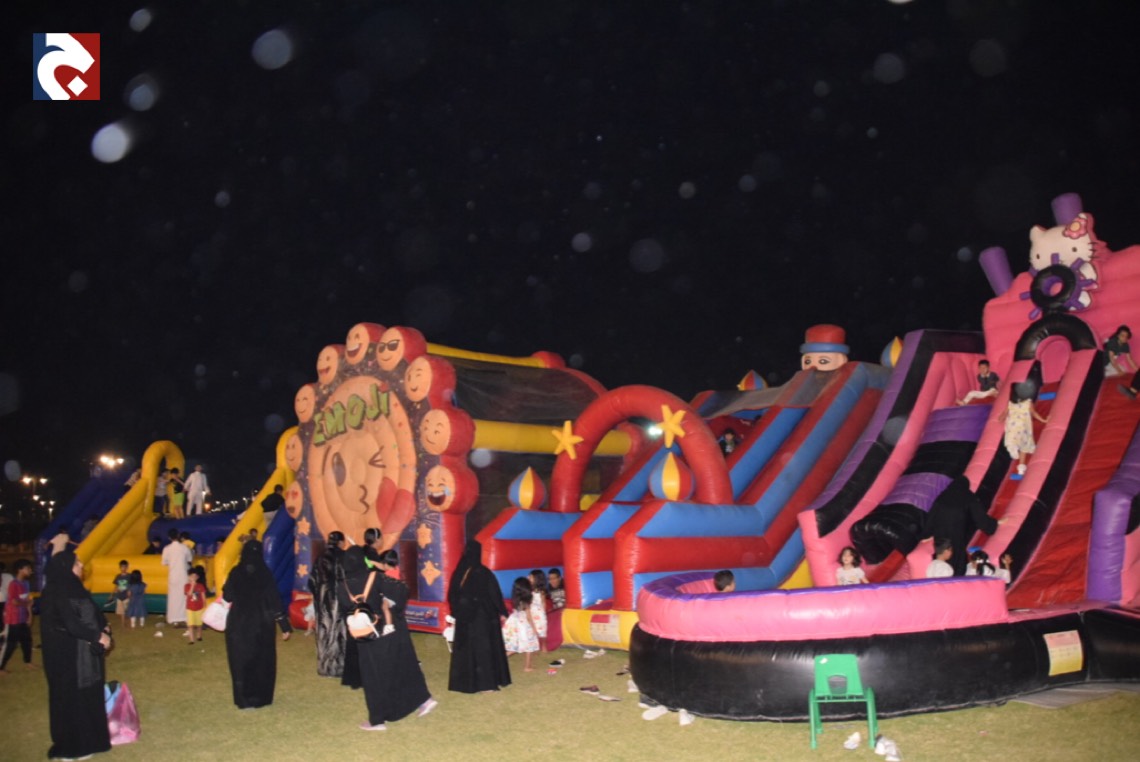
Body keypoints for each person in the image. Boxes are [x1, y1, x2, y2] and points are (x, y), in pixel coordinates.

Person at [340, 548, 436, 730]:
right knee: (402, 665)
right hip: (388, 630)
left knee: (374, 676)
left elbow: (345, 610)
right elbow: (402, 589)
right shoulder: (375, 577)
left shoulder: (342, 585)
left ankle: (377, 720)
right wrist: (389, 606)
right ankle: (424, 700)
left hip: (367, 636)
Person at [39, 549, 112, 760]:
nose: (81, 566)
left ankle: (91, 741)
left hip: (86, 654)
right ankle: (71, 747)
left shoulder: (77, 588)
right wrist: (97, 636)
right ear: (66, 567)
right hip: (67, 657)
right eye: (77, 563)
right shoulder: (56, 591)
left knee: (89, 694)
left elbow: (95, 614)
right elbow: (70, 623)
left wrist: (105, 628)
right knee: (70, 698)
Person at [222, 540, 292, 709]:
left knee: (240, 660)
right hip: (262, 623)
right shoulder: (265, 573)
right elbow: (274, 600)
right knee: (262, 660)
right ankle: (260, 698)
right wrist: (284, 625)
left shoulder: (236, 572)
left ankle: (243, 699)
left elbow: (227, 596)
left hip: (238, 622)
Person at [447, 539, 511, 693]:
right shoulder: (483, 573)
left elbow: (452, 596)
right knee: (484, 650)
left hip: (465, 619)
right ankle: (486, 685)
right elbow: (494, 593)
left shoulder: (459, 573)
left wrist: (458, 612)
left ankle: (466, 683)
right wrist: (502, 611)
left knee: (468, 650)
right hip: (482, 618)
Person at [310, 530, 347, 678]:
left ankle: (324, 668)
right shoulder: (343, 557)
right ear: (341, 542)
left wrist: (319, 595)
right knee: (339, 633)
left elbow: (311, 581)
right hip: (340, 602)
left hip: (322, 603)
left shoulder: (320, 558)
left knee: (324, 632)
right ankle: (339, 668)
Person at [999, 387, 1048, 476]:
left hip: (1012, 426)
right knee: (1024, 446)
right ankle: (1021, 469)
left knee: (1011, 439)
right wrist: (1044, 420)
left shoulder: (1010, 403)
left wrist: (1000, 418)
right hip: (1023, 426)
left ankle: (1012, 448)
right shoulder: (1028, 402)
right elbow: (1034, 413)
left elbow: (1004, 414)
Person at [0, 559, 35, 673]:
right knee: (11, 643)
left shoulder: (26, 584)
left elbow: (28, 600)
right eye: (28, 568)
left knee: (27, 640)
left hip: (23, 618)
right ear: (20, 570)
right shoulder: (13, 584)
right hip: (13, 618)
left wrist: (30, 615)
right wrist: (27, 604)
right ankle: (1, 667)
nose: (30, 570)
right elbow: (14, 602)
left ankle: (28, 662)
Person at [502, 576, 540, 672]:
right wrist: (534, 628)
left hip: (515, 622)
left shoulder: (515, 599)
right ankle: (527, 666)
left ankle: (498, 660)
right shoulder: (526, 601)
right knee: (529, 645)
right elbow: (528, 616)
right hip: (523, 625)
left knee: (514, 647)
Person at [162, 527, 193, 625]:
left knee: (173, 597)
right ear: (178, 536)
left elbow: (164, 562)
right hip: (183, 574)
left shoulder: (167, 549)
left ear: (169, 537)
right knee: (184, 596)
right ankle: (185, 617)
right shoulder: (184, 548)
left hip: (173, 575)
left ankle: (173, 618)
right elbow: (189, 559)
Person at [185, 567, 208, 644]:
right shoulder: (186, 586)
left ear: (197, 577)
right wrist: (192, 585)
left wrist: (205, 606)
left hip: (199, 608)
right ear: (189, 577)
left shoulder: (200, 586)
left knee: (199, 625)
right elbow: (189, 594)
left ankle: (199, 636)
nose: (193, 578)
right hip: (190, 608)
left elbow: (203, 597)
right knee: (190, 625)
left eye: (195, 576)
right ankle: (191, 640)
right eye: (192, 576)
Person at [528, 569, 548, 650]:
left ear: (536, 579)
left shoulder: (541, 591)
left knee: (542, 629)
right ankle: (533, 646)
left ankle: (544, 645)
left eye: (531, 577)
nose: (528, 578)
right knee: (531, 629)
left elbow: (543, 602)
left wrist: (543, 612)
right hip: (531, 612)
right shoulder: (529, 590)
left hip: (539, 612)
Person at [111, 559, 131, 628]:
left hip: (126, 596)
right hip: (119, 596)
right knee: (120, 612)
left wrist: (130, 593)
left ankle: (128, 622)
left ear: (127, 567)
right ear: (120, 567)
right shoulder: (118, 576)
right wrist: (112, 594)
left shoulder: (129, 576)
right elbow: (116, 586)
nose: (123, 569)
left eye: (125, 567)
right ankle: (123, 623)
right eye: (122, 567)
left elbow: (131, 585)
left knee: (127, 610)